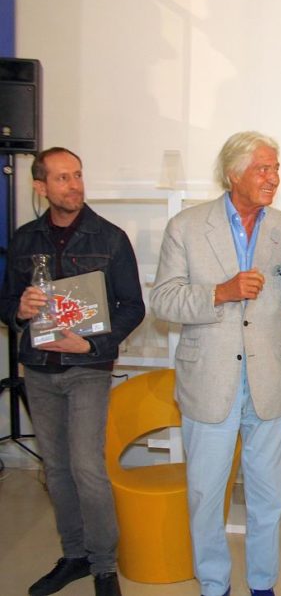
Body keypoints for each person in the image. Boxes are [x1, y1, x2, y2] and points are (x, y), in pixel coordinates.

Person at [150, 131, 281, 596]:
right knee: (206, 496)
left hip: (269, 381)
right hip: (209, 381)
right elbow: (162, 301)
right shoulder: (186, 226)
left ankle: (263, 584)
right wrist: (220, 293)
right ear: (233, 174)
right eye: (263, 168)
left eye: (276, 168)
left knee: (269, 495)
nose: (273, 178)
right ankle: (214, 585)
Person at [0, 147, 145, 596]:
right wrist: (19, 310)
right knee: (57, 469)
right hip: (39, 368)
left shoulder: (110, 238)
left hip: (87, 367)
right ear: (40, 187)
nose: (74, 185)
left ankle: (104, 565)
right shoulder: (24, 240)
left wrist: (92, 344)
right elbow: (6, 304)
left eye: (78, 175)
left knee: (86, 467)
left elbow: (133, 307)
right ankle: (75, 555)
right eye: (62, 178)